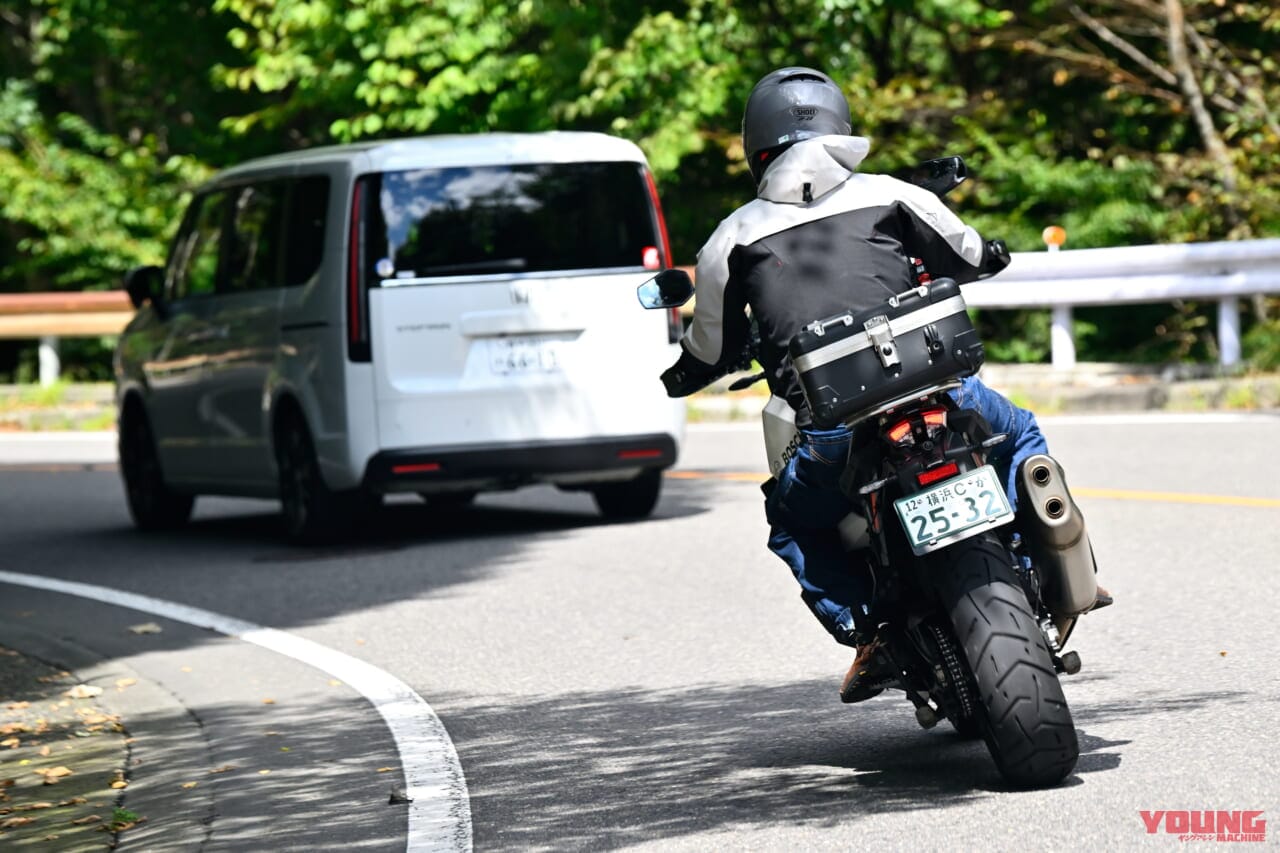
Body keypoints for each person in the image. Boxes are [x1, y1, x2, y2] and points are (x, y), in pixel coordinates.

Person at [660, 66, 1108, 703]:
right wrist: (995, 254)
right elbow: (974, 253)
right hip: (940, 393)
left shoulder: (731, 237)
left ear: (755, 148)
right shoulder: (894, 192)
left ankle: (866, 632)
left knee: (795, 523)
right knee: (1021, 435)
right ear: (839, 124)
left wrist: (686, 372)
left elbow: (709, 346)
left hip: (831, 427)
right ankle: (1049, 563)